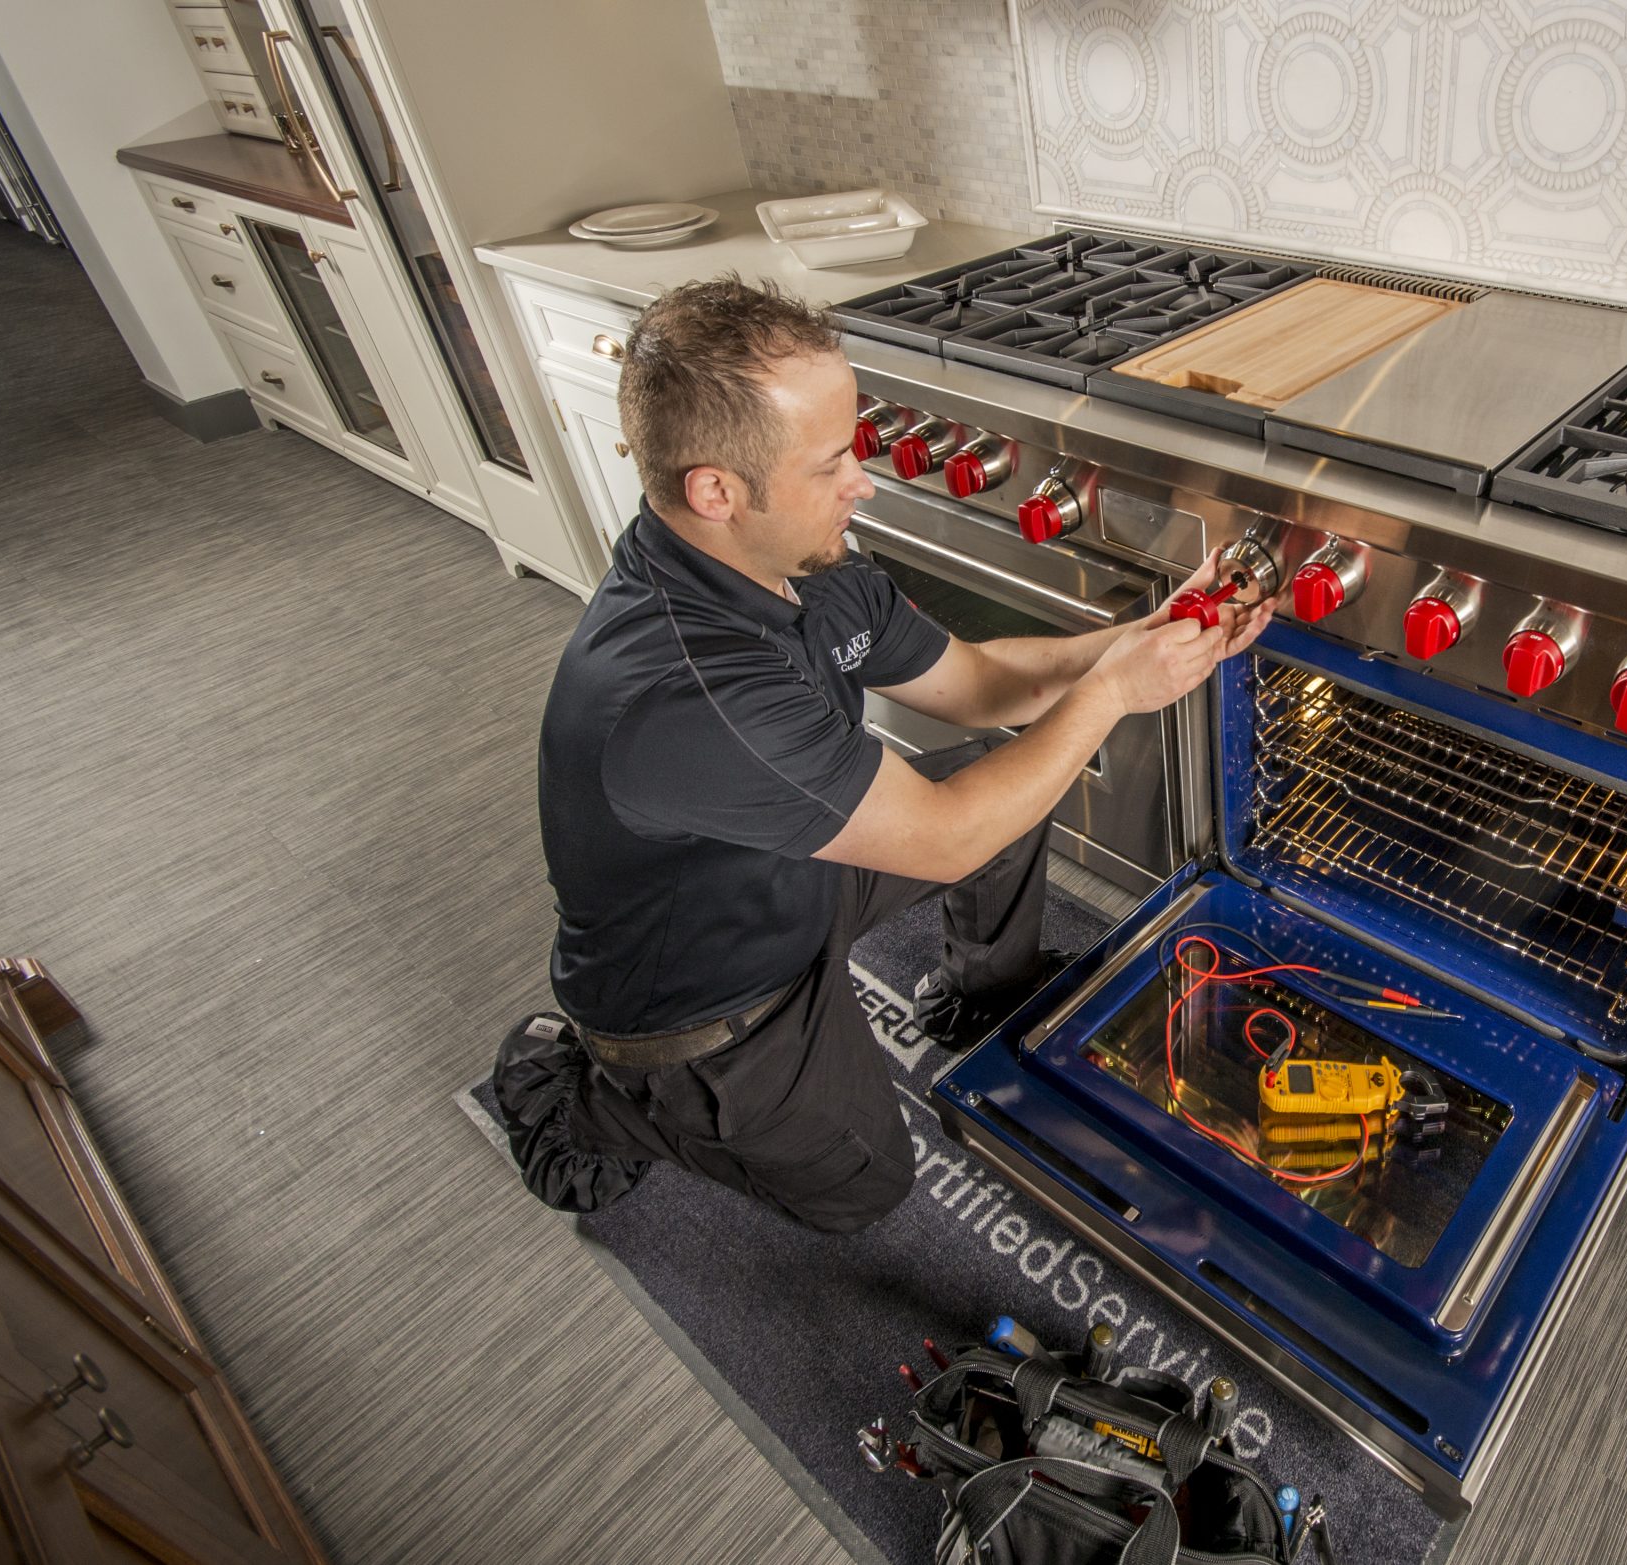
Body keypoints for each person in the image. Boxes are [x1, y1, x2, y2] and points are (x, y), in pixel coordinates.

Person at [496, 275, 1269, 1233]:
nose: (862, 479)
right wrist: (1117, 691)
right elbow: (944, 841)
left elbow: (985, 681)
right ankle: (587, 1101)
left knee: (1001, 778)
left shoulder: (805, 570)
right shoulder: (687, 692)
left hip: (785, 869)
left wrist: (1139, 637)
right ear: (717, 491)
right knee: (865, 1186)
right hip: (711, 1000)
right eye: (830, 464)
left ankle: (981, 994)